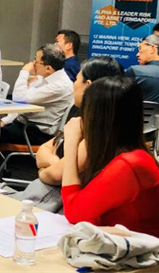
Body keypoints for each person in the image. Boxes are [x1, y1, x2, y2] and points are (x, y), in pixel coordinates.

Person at [60, 76, 159, 272]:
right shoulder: (125, 154)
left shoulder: (130, 165)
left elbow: (74, 211)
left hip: (155, 268)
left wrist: (70, 144)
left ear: (95, 119)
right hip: (133, 258)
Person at [11, 56, 124, 213]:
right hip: (44, 195)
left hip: (53, 202)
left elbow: (56, 175)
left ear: (88, 86)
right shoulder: (82, 118)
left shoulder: (100, 132)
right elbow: (44, 149)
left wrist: (45, 171)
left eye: (76, 79)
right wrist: (55, 163)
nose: (73, 85)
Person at [0, 44, 73, 145]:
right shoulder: (45, 77)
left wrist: (24, 71)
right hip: (24, 124)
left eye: (36, 61)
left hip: (36, 132)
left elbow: (19, 98)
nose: (33, 64)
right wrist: (6, 120)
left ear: (48, 68)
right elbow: (22, 103)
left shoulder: (60, 86)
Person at [125, 35, 159, 112]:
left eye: (140, 49)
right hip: (157, 120)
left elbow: (120, 101)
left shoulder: (134, 72)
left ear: (153, 48)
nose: (137, 54)